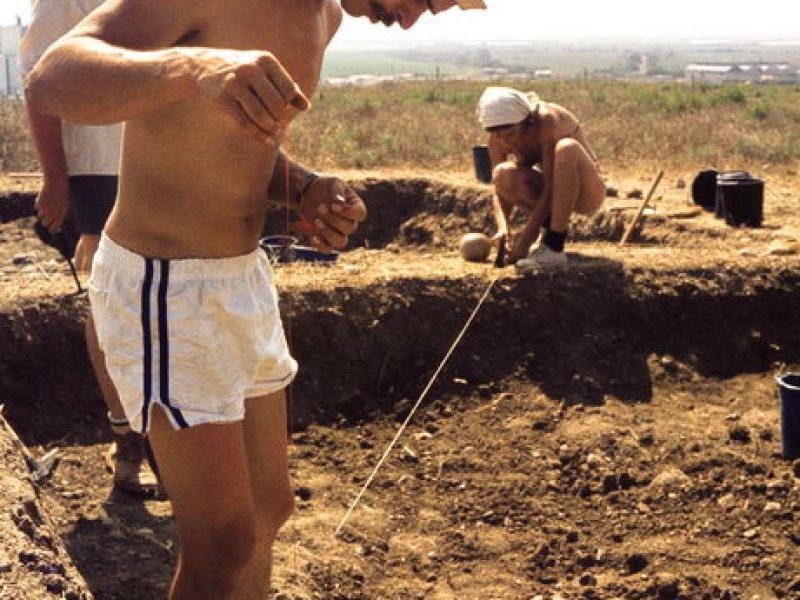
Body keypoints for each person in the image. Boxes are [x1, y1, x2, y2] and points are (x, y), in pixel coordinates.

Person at [25, 0, 487, 598]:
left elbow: (233, 147)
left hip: (242, 276)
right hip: (166, 284)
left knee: (269, 510)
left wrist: (307, 189)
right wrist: (190, 67)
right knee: (223, 544)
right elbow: (53, 78)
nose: (412, 21)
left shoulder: (328, 16)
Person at [19, 0, 161, 498]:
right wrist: (56, 180)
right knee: (114, 306)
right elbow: (40, 86)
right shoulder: (61, 4)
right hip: (98, 171)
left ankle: (169, 441)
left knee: (162, 303)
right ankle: (128, 444)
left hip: (154, 160)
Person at [477, 86, 606, 272]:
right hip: (554, 195)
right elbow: (498, 188)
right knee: (502, 173)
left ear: (526, 122)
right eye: (498, 136)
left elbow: (551, 187)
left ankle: (554, 247)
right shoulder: (497, 139)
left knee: (567, 148)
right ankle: (547, 233)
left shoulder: (547, 121)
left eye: (510, 134)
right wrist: (503, 228)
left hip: (587, 193)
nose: (506, 142)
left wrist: (525, 240)